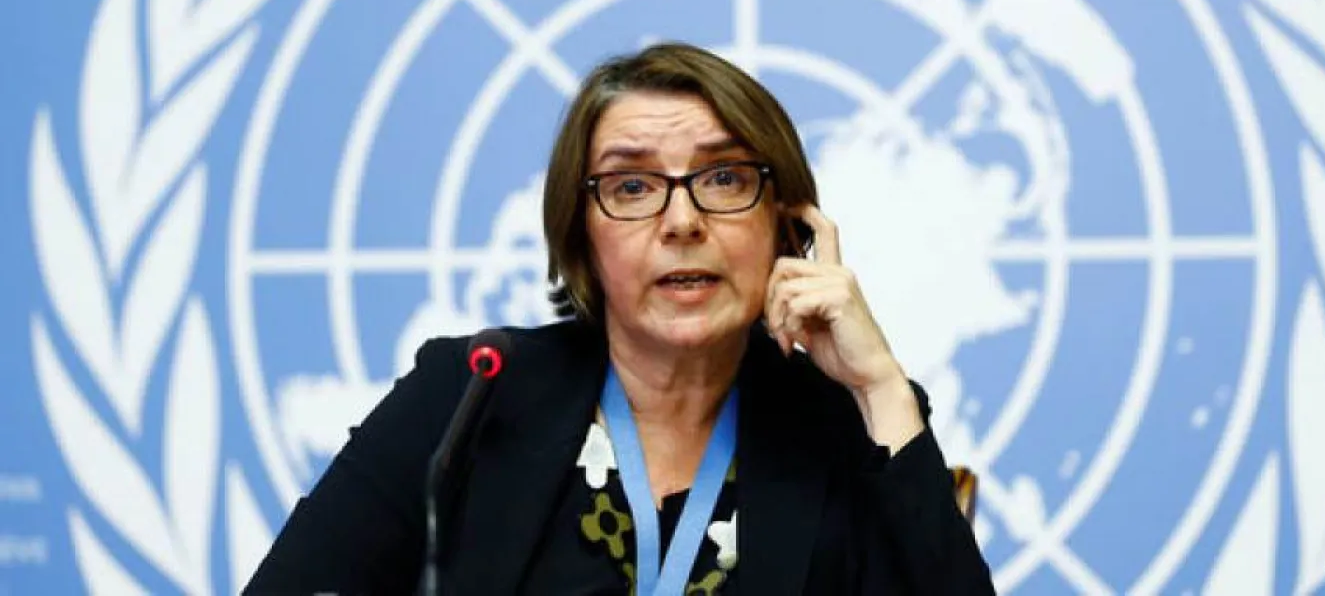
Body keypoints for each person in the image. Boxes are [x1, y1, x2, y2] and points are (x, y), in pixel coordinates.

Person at [246, 42, 995, 594]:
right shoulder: (471, 398)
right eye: (633, 187)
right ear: (583, 234)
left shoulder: (852, 426)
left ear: (788, 223)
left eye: (724, 177)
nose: (681, 220)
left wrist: (882, 387)